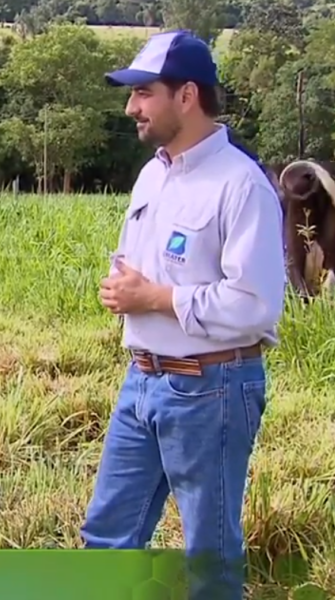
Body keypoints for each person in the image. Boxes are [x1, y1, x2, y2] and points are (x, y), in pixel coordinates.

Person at [81, 30, 287, 600]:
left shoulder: (241, 185)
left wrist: (155, 299)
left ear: (187, 95)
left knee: (208, 559)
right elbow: (141, 264)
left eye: (144, 93)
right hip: (141, 381)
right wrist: (126, 288)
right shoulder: (153, 174)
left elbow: (256, 305)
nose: (131, 108)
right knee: (107, 537)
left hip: (212, 388)